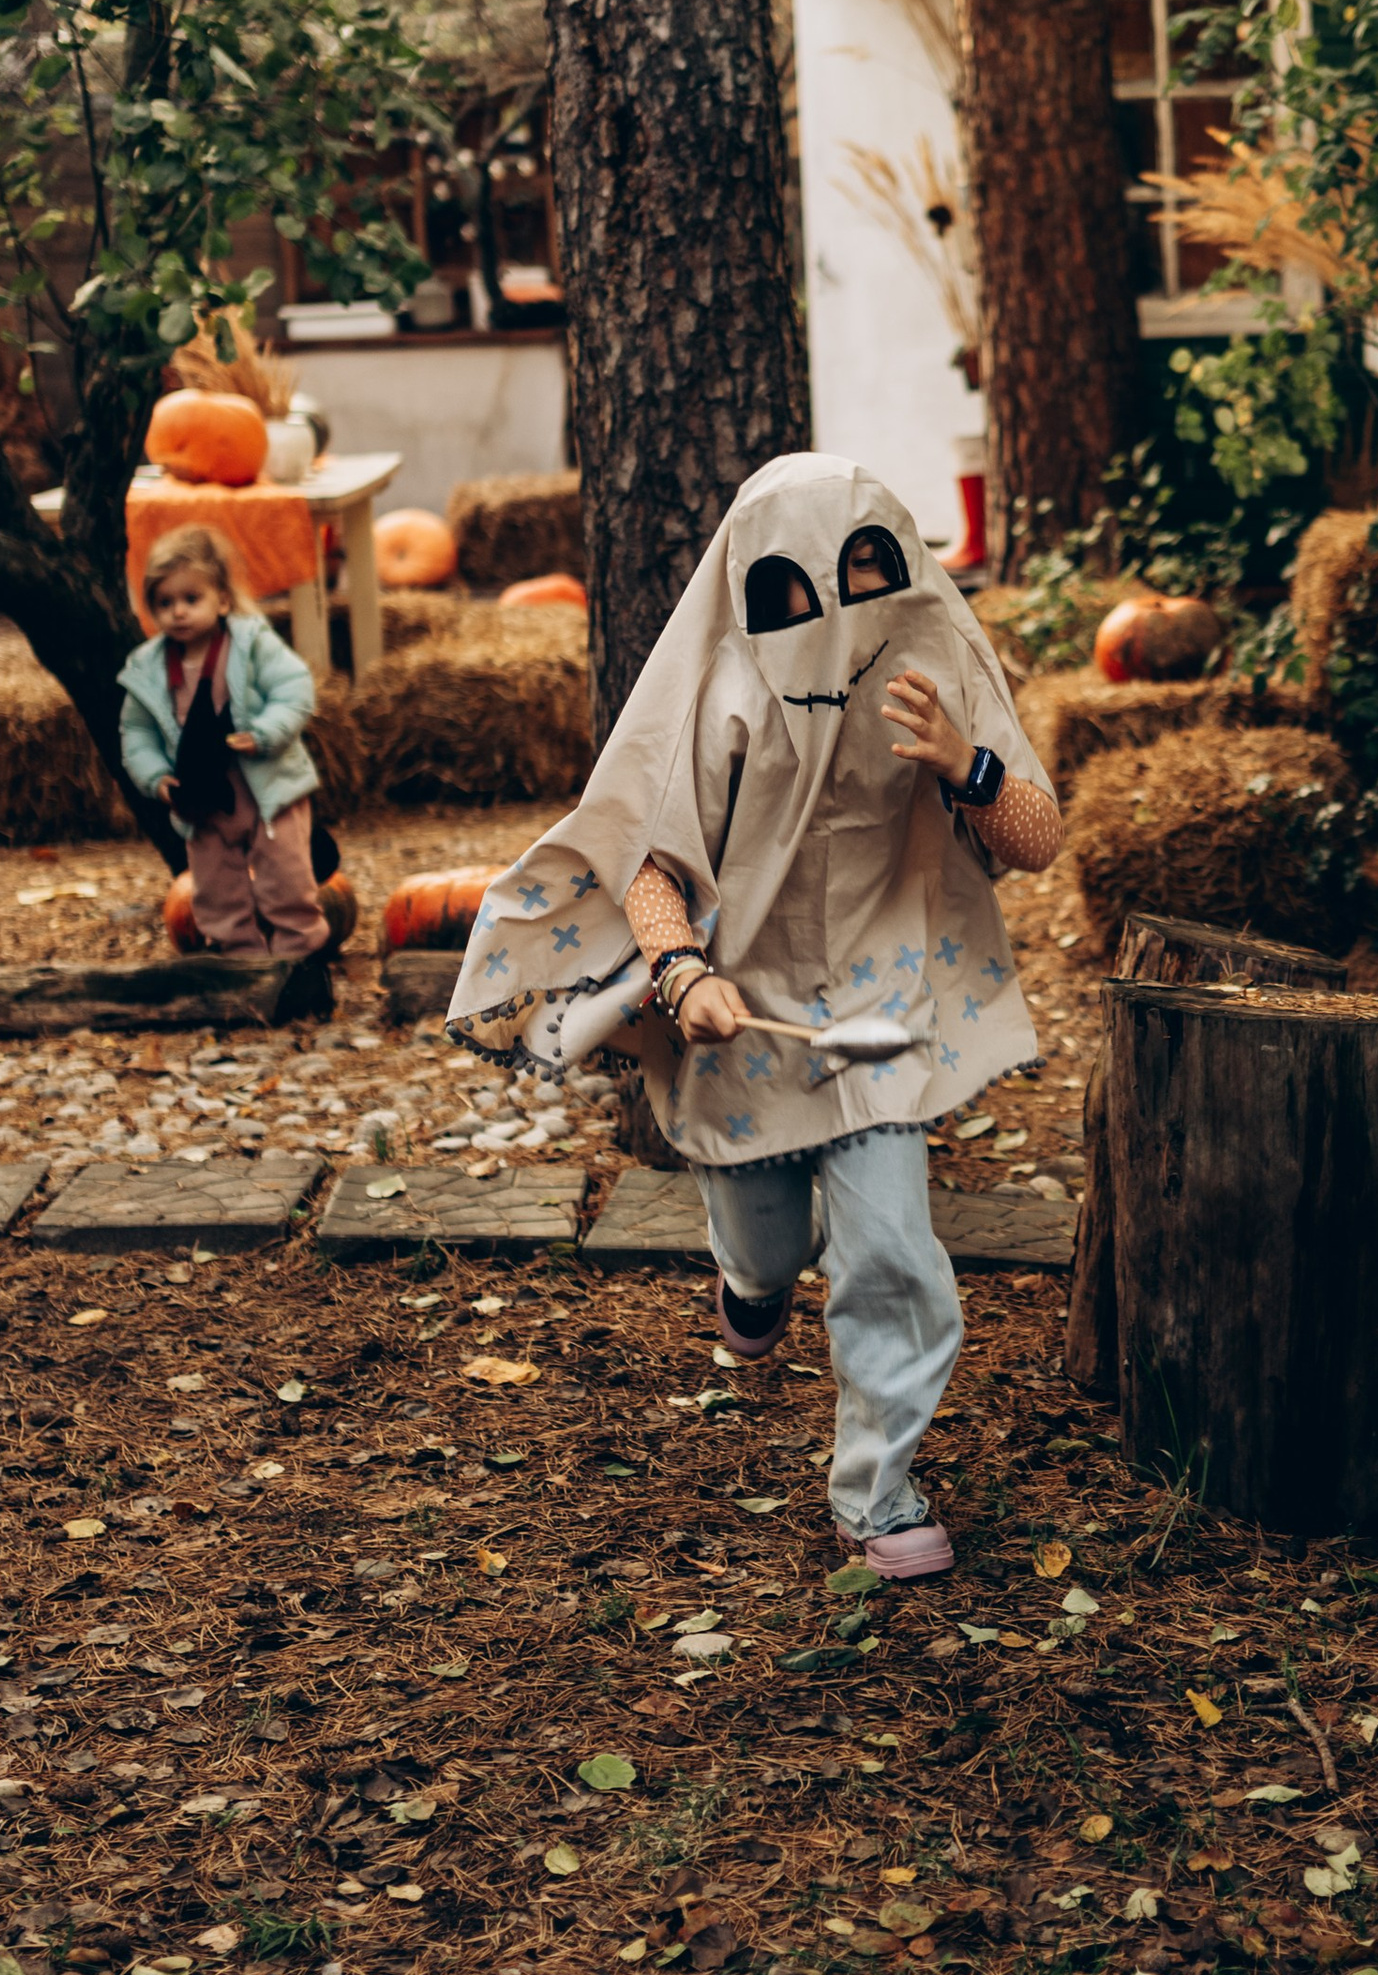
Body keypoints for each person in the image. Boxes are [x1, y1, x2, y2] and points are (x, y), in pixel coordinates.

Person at [447, 455, 1063, 1576]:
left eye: (863, 573)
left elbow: (1036, 836)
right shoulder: (719, 694)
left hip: (881, 1011)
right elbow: (648, 866)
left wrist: (962, 763)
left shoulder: (934, 669)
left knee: (893, 1254)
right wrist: (682, 974)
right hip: (742, 1014)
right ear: (749, 584)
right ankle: (751, 1277)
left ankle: (876, 1494)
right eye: (796, 586)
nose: (832, 615)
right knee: (768, 1232)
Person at [119, 524, 329, 969]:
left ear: (223, 600)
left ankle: (301, 956)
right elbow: (135, 733)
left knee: (285, 876)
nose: (178, 612)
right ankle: (241, 962)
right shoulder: (148, 667)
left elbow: (294, 688)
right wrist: (156, 778)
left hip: (267, 788)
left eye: (191, 599)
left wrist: (266, 733)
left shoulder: (251, 643)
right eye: (164, 603)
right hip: (202, 798)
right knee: (216, 887)